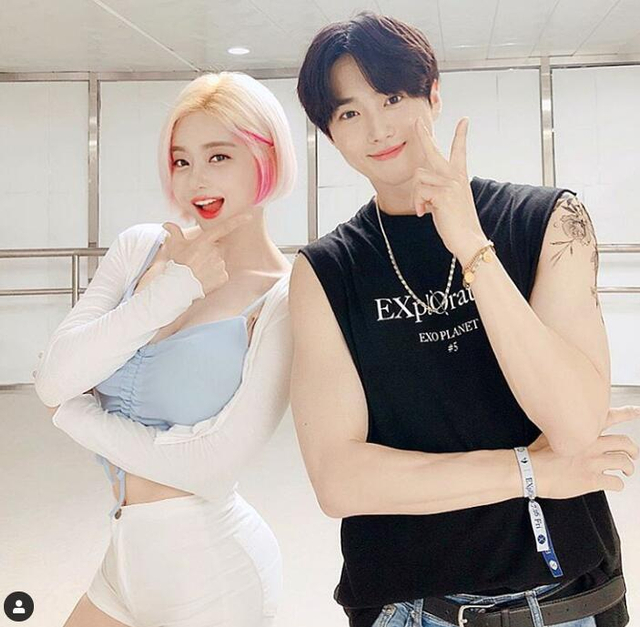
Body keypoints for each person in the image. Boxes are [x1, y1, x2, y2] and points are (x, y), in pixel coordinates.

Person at [290, 12, 639, 627]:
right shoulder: (326, 270)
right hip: (409, 606)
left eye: (392, 98)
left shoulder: (549, 220)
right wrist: (534, 471)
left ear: (432, 94)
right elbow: (340, 482)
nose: (377, 128)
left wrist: (473, 247)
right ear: (330, 133)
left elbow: (575, 424)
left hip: (569, 602)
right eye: (348, 113)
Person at [33, 71, 296, 627]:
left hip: (213, 577)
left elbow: (210, 464)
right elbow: (54, 377)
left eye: (219, 156)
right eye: (181, 161)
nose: (196, 180)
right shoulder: (140, 249)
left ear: (266, 158)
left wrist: (72, 416)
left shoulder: (285, 296)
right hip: (123, 559)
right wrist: (170, 291)